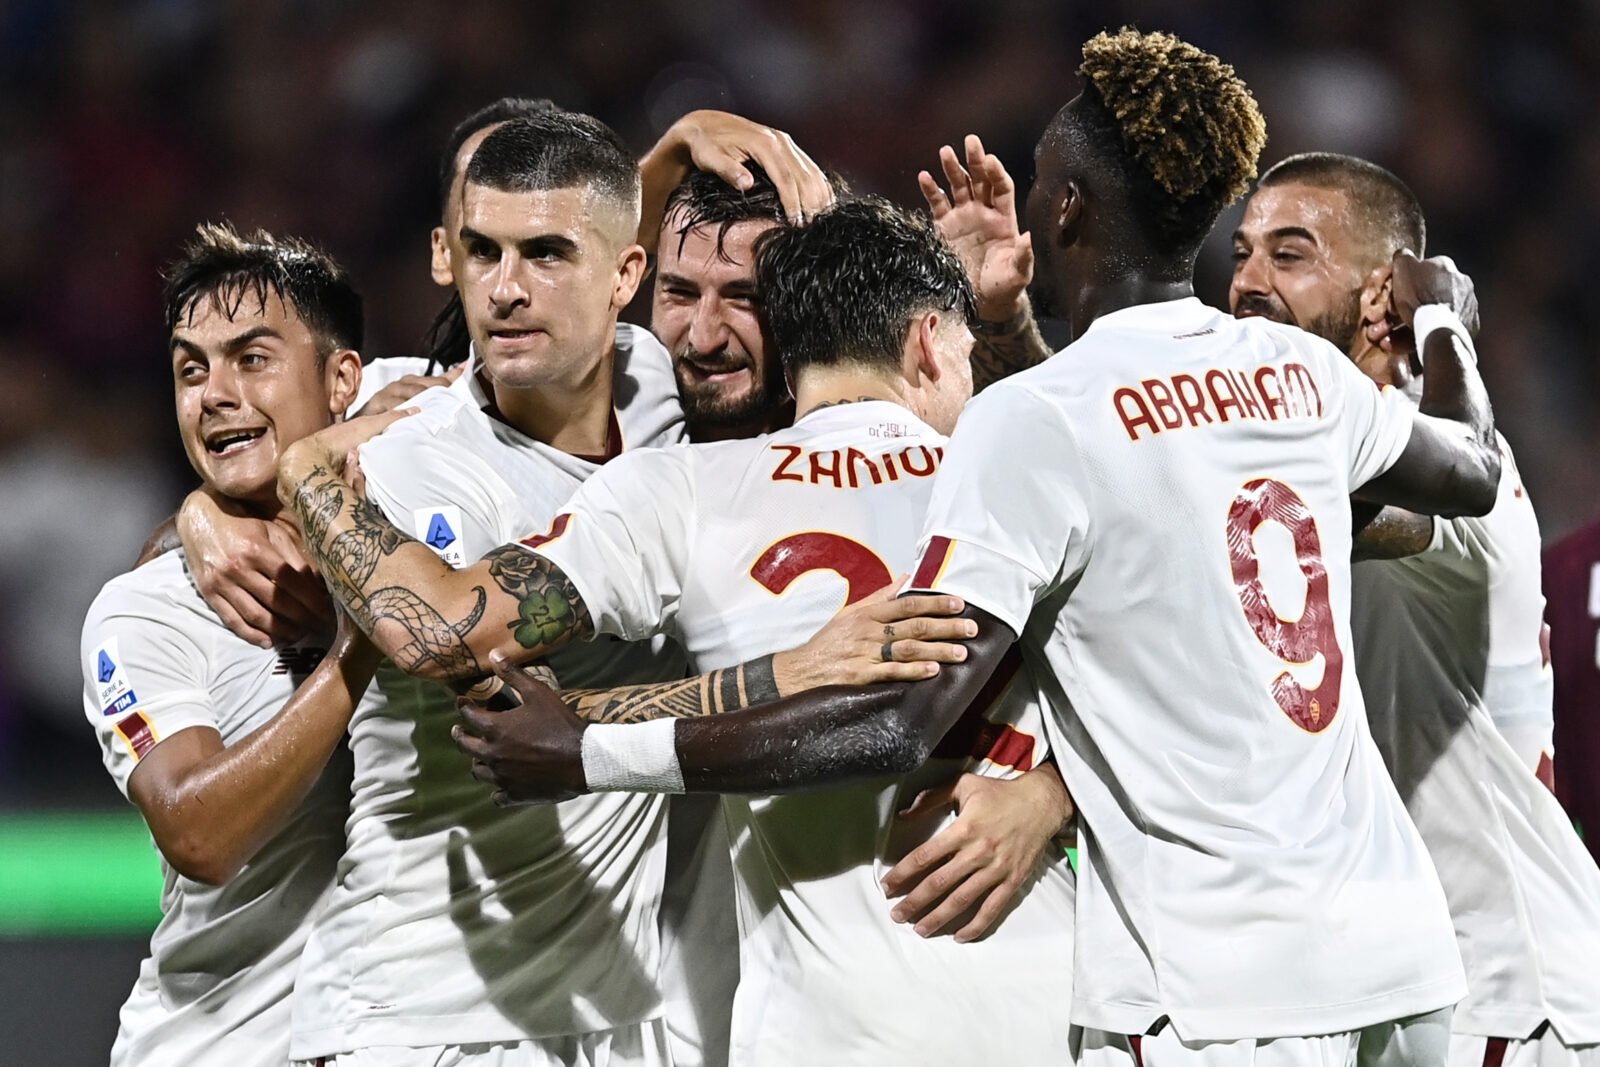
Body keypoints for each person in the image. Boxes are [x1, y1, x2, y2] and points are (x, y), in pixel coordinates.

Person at [388, 26, 1505, 1063]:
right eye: (679, 294)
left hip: (1202, 987)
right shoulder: (1275, 379)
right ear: (935, 339)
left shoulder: (974, 438)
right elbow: (1451, 485)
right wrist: (1441, 319)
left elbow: (896, 716)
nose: (699, 327)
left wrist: (588, 741)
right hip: (1388, 948)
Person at [1231, 151, 1600, 1065]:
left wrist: (1438, 327)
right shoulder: (1300, 450)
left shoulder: (1436, 468)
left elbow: (1203, 505)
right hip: (1407, 989)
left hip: (1508, 986)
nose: (1247, 282)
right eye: (1242, 253)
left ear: (1377, 300)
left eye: (1289, 254)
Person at [78, 224, 384, 1066]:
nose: (214, 394)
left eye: (251, 359)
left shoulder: (422, 528)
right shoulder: (147, 609)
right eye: (191, 370)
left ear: (343, 380)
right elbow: (199, 833)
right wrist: (359, 650)